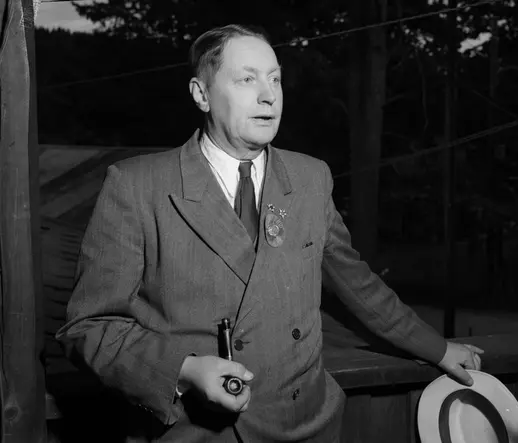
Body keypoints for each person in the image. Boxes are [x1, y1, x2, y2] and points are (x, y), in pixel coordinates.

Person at [56, 24, 483, 443]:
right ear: (201, 94)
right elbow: (89, 327)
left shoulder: (310, 178)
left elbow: (358, 285)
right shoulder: (137, 186)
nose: (269, 95)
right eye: (247, 79)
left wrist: (438, 349)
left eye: (275, 79)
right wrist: (183, 369)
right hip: (200, 431)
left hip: (309, 424)